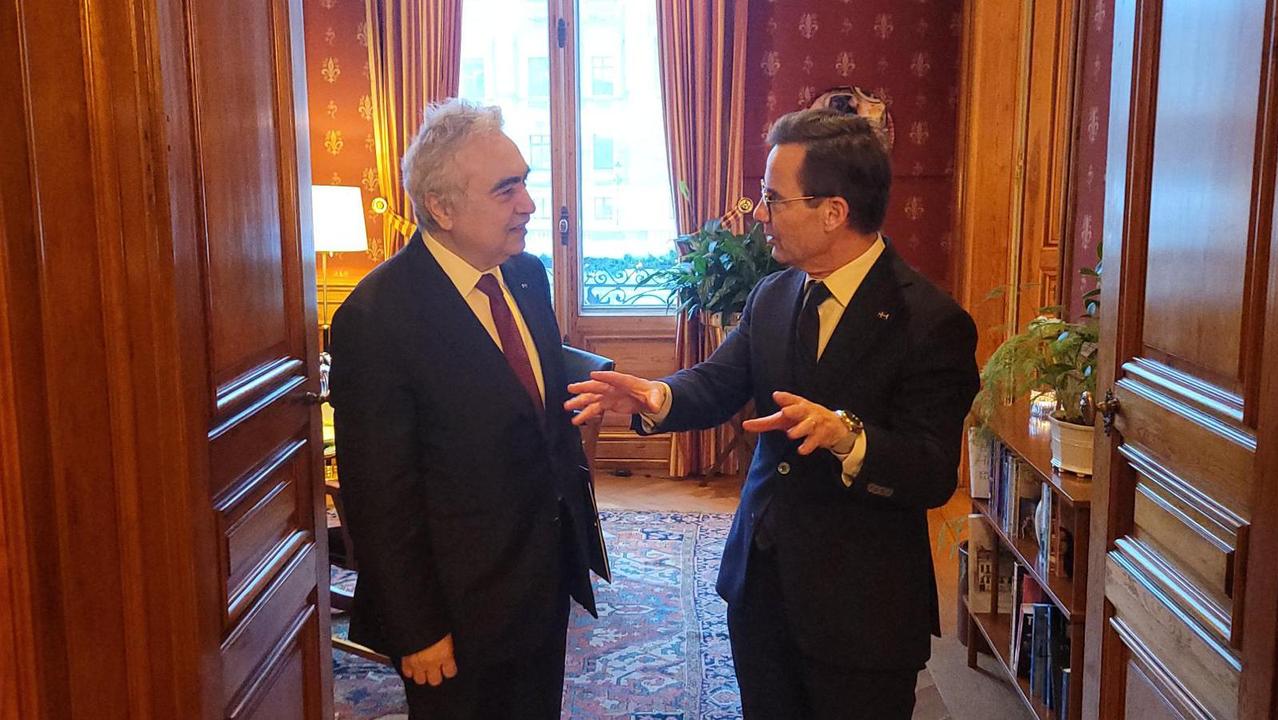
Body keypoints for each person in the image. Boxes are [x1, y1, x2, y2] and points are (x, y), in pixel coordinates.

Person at [566, 108, 979, 719]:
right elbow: (718, 382)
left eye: (773, 198)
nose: (760, 214)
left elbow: (933, 470)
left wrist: (848, 438)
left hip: (861, 610)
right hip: (760, 587)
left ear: (833, 211)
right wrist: (656, 396)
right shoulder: (775, 293)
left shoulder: (930, 322)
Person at [328, 99, 608, 719]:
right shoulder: (377, 319)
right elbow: (379, 498)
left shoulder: (528, 275)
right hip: (455, 611)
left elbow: (535, 416)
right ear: (443, 207)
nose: (529, 204)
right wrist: (417, 628)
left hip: (540, 580)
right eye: (506, 190)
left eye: (527, 182)